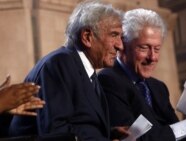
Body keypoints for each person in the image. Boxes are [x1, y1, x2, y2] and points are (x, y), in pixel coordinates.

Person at [98, 8, 186, 141]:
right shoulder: (108, 81)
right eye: (144, 48)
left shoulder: (158, 87)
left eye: (157, 49)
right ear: (122, 45)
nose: (152, 57)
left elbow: (180, 137)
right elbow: (134, 139)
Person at [9, 1, 128, 141]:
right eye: (114, 35)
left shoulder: (85, 71)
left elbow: (80, 123)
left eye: (121, 37)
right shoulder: (58, 64)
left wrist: (109, 133)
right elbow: (56, 132)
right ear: (87, 37)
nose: (120, 45)